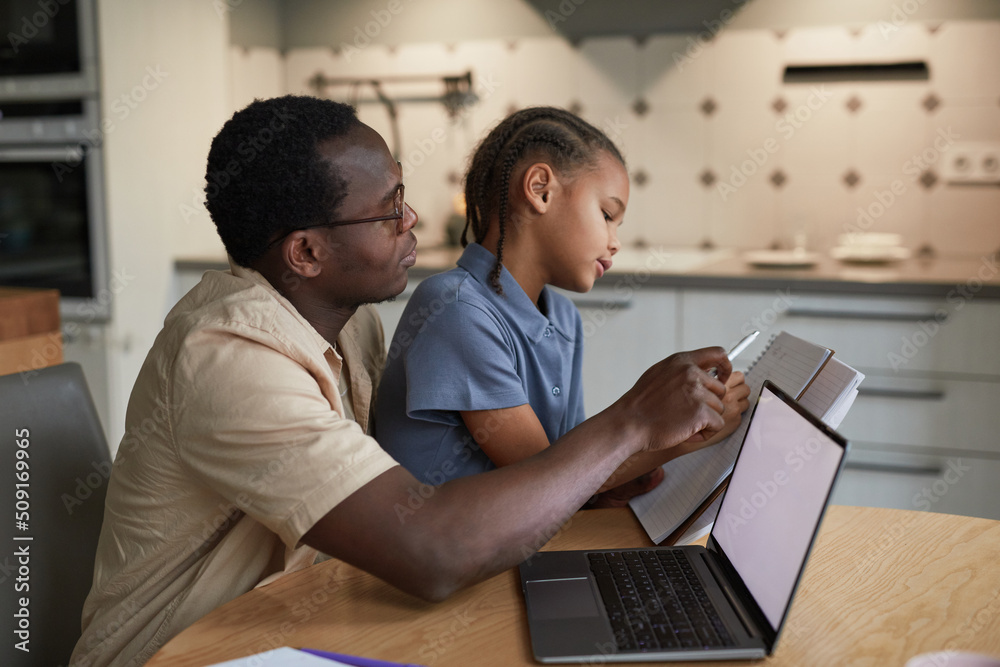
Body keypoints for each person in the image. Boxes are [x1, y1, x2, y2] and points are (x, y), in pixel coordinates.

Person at [71, 95, 734, 667]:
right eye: (388, 209)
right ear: (306, 251)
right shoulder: (228, 354)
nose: (412, 219)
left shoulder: (351, 327)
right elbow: (429, 548)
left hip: (295, 632)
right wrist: (630, 423)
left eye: (403, 195)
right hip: (181, 652)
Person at [375, 107, 749, 504]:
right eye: (607, 215)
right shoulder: (456, 308)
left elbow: (573, 465)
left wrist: (630, 479)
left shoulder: (563, 318)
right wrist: (685, 435)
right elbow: (546, 475)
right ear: (540, 190)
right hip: (445, 557)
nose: (615, 241)